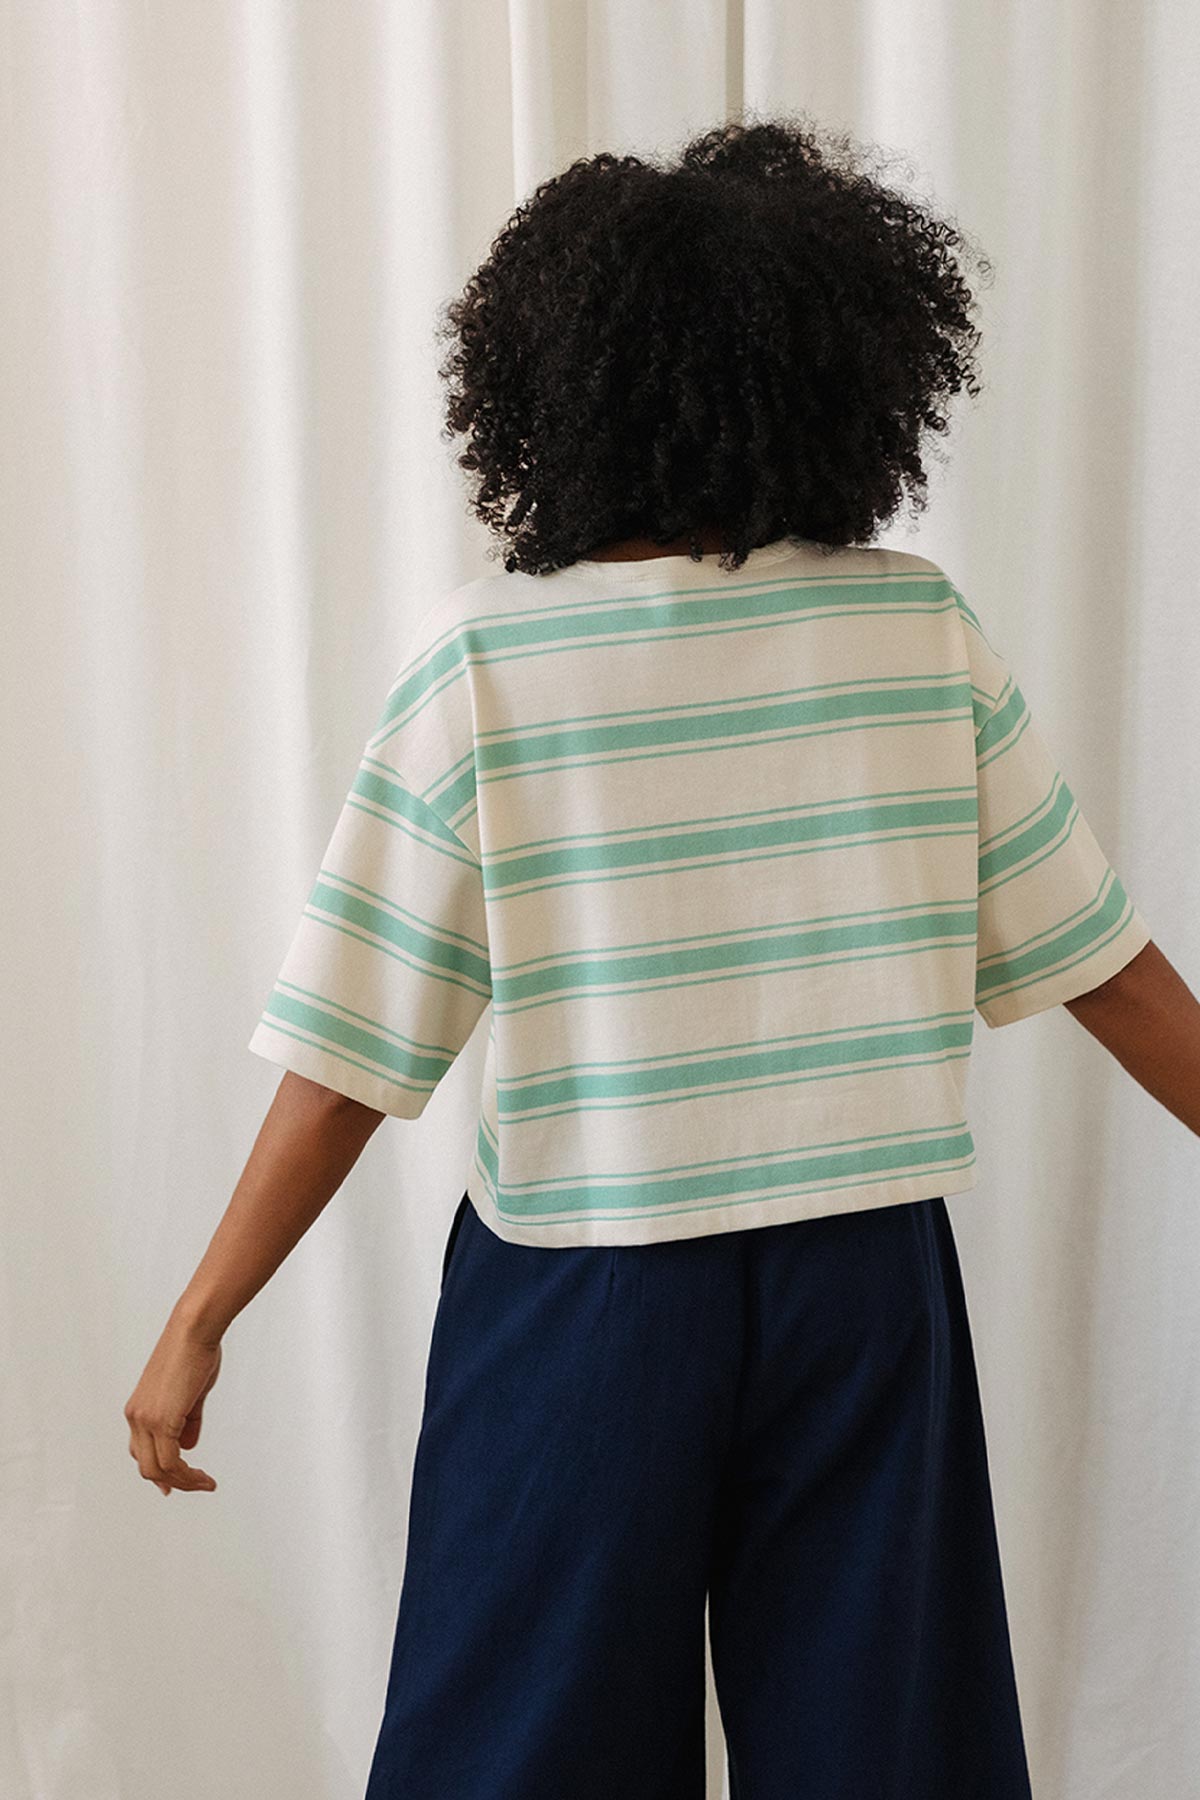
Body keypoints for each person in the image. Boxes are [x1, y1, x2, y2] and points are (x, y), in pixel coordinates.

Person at [125, 114, 1198, 1798]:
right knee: (889, 1755)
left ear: (554, 385)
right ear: (848, 371)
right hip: (865, 1283)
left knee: (518, 1748)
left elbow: (351, 1050)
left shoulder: (485, 663)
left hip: (586, 1285)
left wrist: (201, 1316)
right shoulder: (915, 631)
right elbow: (1110, 970)